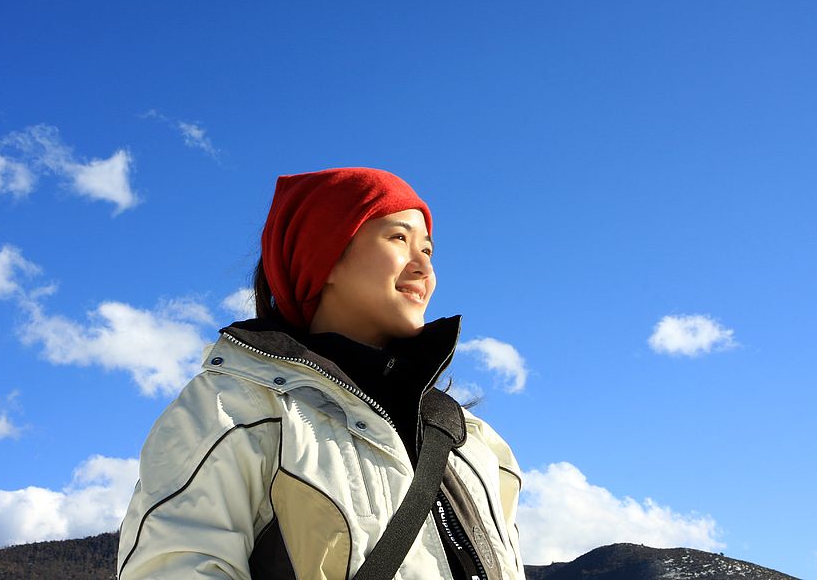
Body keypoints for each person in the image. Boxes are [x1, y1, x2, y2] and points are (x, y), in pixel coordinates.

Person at [117, 167, 525, 580]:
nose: (424, 267)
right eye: (399, 238)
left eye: (429, 250)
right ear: (324, 256)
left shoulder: (472, 440)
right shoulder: (234, 408)